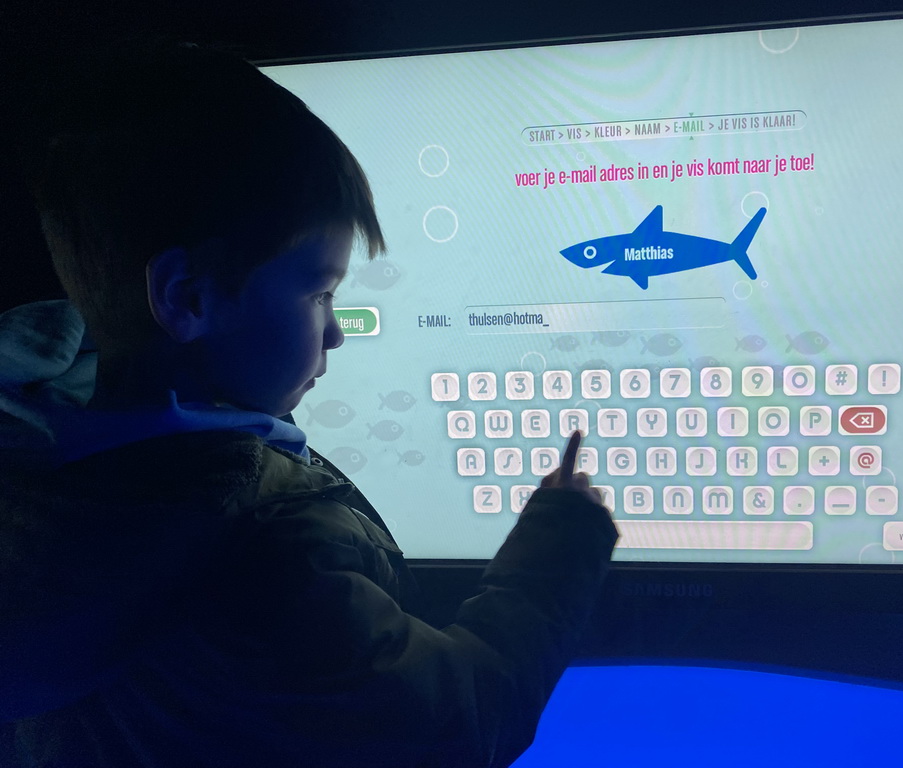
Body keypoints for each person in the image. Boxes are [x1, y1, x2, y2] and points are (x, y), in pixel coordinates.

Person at [0, 43, 618, 767]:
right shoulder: (267, 562)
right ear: (186, 297)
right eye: (318, 292)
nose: (333, 332)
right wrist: (561, 538)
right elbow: (462, 722)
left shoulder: (45, 465)